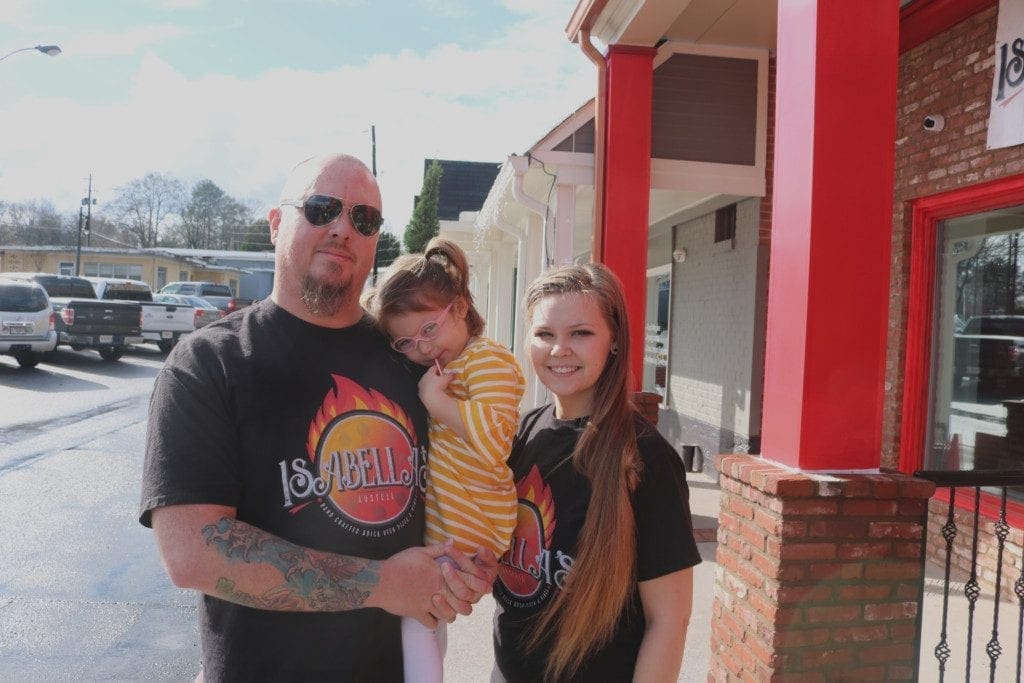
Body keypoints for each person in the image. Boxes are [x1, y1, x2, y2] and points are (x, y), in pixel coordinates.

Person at [138, 153, 496, 681]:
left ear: (377, 240)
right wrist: (384, 585)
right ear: (277, 223)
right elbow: (193, 552)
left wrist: (469, 564)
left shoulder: (413, 361)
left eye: (364, 218)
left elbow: (468, 473)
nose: (342, 229)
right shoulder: (210, 364)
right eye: (322, 208)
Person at [492, 263, 702, 682]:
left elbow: (670, 620)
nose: (559, 349)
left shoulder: (644, 458)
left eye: (581, 333)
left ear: (615, 342)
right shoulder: (519, 434)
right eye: (545, 334)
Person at [365, 237, 525, 683]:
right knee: (426, 623)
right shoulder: (448, 365)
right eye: (406, 342)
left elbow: (495, 442)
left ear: (458, 307)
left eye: (429, 329)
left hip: (470, 520)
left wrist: (436, 403)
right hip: (452, 519)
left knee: (418, 620)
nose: (422, 347)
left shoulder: (488, 360)